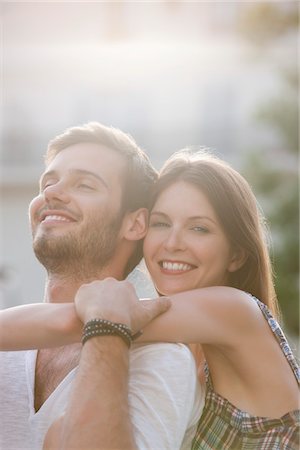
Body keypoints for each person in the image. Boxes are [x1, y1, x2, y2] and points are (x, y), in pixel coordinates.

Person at [45, 148, 299, 449]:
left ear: (236, 255)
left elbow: (71, 324)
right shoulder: (185, 355)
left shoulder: (235, 309)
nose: (173, 243)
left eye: (199, 228)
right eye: (161, 223)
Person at [0, 124, 204, 450]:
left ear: (135, 223)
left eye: (84, 184)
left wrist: (105, 328)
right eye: (48, 182)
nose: (51, 193)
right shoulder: (7, 343)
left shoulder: (160, 357)